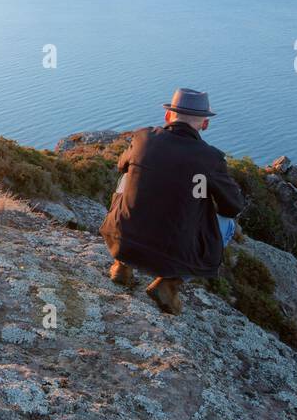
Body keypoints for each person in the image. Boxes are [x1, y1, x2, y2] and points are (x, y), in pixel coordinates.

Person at [100, 88, 246, 314]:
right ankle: (168, 284)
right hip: (174, 256)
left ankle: (122, 265)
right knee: (227, 223)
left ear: (168, 116)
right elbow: (232, 206)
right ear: (205, 124)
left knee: (127, 177)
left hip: (122, 241)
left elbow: (121, 166)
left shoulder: (142, 138)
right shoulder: (209, 158)